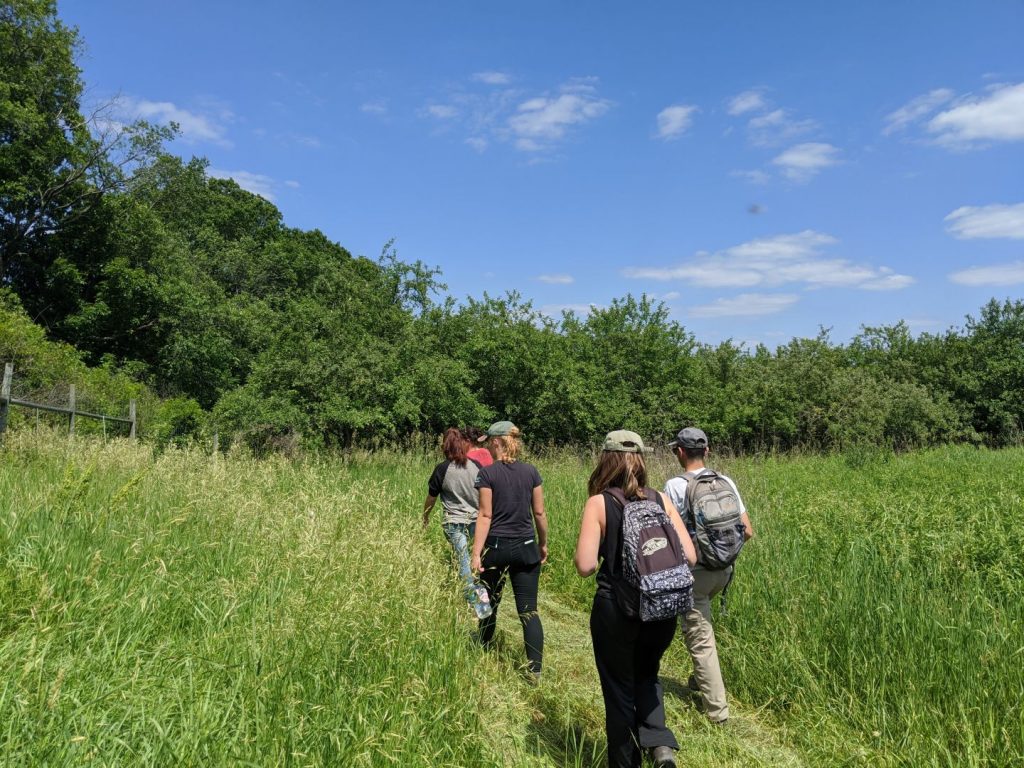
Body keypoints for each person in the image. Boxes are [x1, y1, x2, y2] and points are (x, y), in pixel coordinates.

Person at [574, 430, 697, 768]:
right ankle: (659, 746)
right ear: (641, 460)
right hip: (661, 609)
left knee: (619, 691)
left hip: (618, 610)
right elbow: (691, 555)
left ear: (605, 461)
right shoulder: (660, 500)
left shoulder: (600, 503)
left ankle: (626, 762)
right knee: (648, 675)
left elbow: (585, 566)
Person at [663, 427, 754, 725]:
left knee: (701, 640)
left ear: (679, 452)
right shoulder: (726, 481)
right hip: (724, 572)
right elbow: (748, 531)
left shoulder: (675, 486)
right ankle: (700, 680)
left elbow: (670, 535)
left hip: (696, 574)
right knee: (703, 633)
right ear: (707, 451)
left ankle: (717, 714)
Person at [470, 421, 547, 679]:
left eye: (489, 443)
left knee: (488, 601)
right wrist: (543, 543)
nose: (488, 449)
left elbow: (484, 515)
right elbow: (539, 512)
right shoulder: (531, 472)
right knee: (529, 610)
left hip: (496, 548)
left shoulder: (487, 474)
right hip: (526, 547)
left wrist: (476, 552)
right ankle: (534, 670)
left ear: (496, 442)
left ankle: (481, 645)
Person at [422, 427, 485, 614]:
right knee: (476, 562)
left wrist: (425, 516)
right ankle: (482, 601)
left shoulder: (442, 469)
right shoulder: (476, 467)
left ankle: (478, 609)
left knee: (465, 563)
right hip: (477, 522)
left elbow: (432, 497)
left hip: (454, 524)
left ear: (446, 445)